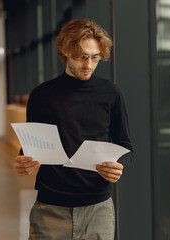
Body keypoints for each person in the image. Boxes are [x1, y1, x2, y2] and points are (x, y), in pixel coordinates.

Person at [14, 19, 133, 240]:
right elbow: (31, 147)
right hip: (50, 209)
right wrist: (25, 161)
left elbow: (125, 146)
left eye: (95, 57)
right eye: (82, 57)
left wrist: (119, 165)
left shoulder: (111, 94)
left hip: (98, 210)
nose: (88, 64)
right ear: (65, 50)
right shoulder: (41, 95)